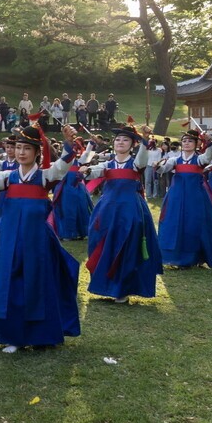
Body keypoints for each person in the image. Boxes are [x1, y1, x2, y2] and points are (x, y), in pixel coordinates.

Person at [0, 124, 81, 353]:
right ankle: (13, 335)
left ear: (37, 153)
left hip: (37, 242)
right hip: (9, 239)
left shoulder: (44, 176)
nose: (21, 152)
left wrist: (69, 145)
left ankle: (41, 335)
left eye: (27, 149)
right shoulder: (8, 177)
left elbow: (62, 167)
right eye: (18, 148)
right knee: (9, 284)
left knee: (38, 285)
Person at [81, 125, 163, 303]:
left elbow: (142, 159)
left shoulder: (135, 163)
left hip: (130, 210)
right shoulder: (107, 164)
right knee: (101, 243)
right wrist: (87, 170)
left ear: (132, 144)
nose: (120, 142)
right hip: (107, 210)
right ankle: (105, 285)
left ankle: (123, 288)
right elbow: (92, 172)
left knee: (127, 246)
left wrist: (144, 140)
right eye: (117, 139)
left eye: (125, 140)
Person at [157, 128, 212, 268]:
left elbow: (209, 156)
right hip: (176, 196)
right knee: (174, 223)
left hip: (195, 197)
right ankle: (173, 257)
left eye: (190, 141)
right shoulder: (174, 159)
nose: (186, 143)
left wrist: (209, 142)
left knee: (195, 224)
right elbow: (163, 169)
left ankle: (197, 257)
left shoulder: (199, 159)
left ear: (196, 144)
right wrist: (158, 166)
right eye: (184, 141)